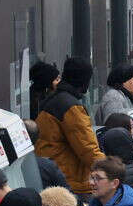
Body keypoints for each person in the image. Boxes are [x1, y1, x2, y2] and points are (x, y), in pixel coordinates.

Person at [35, 57, 105, 196]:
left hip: (53, 176)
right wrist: (111, 172)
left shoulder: (53, 99)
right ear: (83, 80)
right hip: (70, 182)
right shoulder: (70, 107)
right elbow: (88, 149)